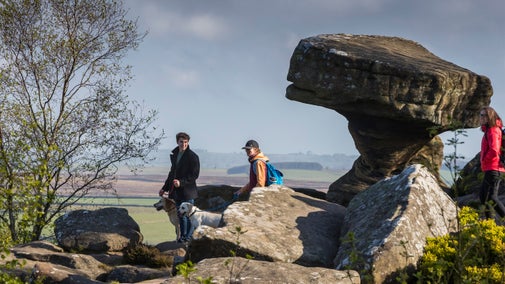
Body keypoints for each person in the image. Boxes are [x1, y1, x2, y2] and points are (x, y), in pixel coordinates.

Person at [159, 132, 200, 242]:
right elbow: (172, 173)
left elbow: (194, 175)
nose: (183, 144)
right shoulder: (175, 154)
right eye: (181, 142)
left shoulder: (193, 157)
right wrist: (164, 188)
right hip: (177, 192)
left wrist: (181, 182)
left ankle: (188, 237)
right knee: (181, 216)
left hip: (188, 191)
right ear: (177, 142)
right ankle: (183, 238)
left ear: (188, 142)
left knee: (189, 216)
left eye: (186, 142)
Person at [479, 106, 505, 221]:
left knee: (492, 197)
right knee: (483, 196)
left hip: (495, 168)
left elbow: (494, 150)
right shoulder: (490, 130)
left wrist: (485, 160)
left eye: (483, 115)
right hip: (491, 168)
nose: (480, 118)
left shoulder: (493, 130)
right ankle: (489, 224)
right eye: (480, 115)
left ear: (489, 117)